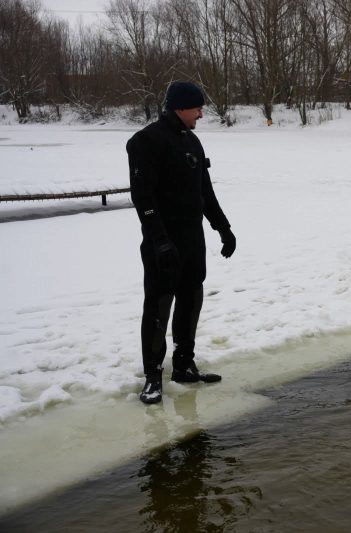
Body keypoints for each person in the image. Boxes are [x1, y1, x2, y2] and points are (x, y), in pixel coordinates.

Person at [127, 81, 237, 404]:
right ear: (180, 107)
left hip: (192, 240)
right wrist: (160, 241)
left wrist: (223, 228)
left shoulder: (192, 142)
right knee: (159, 305)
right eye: (197, 108)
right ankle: (152, 376)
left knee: (191, 298)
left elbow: (205, 193)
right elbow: (143, 198)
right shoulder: (146, 141)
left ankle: (184, 365)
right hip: (162, 242)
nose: (201, 114)